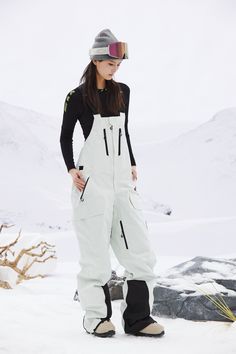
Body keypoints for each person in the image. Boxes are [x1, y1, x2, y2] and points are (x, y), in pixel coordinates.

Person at [59, 28, 165, 338]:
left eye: (118, 64)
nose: (114, 69)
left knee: (140, 252)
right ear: (95, 60)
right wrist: (70, 169)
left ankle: (138, 318)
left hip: (121, 183)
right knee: (95, 256)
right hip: (92, 184)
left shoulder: (124, 91)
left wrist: (131, 162)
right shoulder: (77, 97)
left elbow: (125, 131)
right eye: (109, 63)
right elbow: (65, 136)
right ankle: (96, 317)